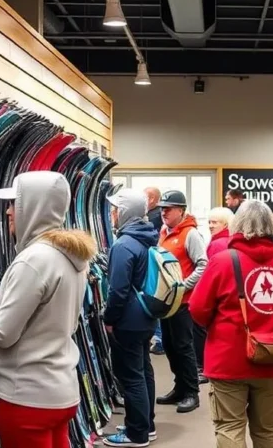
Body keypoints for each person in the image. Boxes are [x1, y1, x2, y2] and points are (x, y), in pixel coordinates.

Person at [0, 171, 95, 448]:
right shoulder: (72, 257)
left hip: (28, 396)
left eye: (14, 203)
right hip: (61, 391)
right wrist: (6, 297)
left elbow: (2, 333)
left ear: (33, 206)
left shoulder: (32, 261)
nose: (9, 212)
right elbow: (48, 314)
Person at [189, 200, 273, 448]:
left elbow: (197, 308)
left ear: (238, 225)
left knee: (229, 427)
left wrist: (219, 327)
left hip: (227, 359)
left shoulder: (223, 261)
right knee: (268, 431)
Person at [103, 188, 159, 447]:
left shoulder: (124, 244)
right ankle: (146, 425)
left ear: (126, 212)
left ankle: (137, 433)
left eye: (116, 209)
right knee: (143, 370)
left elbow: (118, 290)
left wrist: (109, 318)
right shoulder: (147, 238)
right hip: (146, 315)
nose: (112, 214)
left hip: (128, 320)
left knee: (131, 375)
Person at [156, 189, 208, 413]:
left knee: (184, 347)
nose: (163, 212)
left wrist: (183, 286)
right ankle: (180, 387)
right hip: (167, 303)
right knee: (169, 346)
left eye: (168, 208)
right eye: (162, 208)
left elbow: (203, 265)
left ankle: (191, 392)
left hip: (183, 303)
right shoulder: (164, 231)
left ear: (181, 210)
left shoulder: (191, 234)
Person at [145, 188, 165, 355]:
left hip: (156, 265)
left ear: (152, 199)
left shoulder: (154, 216)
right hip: (156, 264)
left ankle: (159, 340)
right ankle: (159, 339)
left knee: (155, 297)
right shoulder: (156, 214)